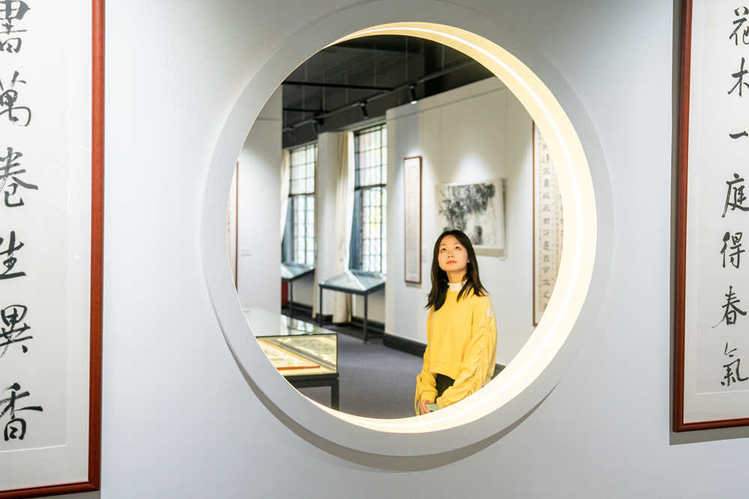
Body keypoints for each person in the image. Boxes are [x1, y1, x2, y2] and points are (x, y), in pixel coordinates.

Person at [414, 229, 498, 415]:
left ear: (469, 257)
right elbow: (431, 351)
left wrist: (446, 402)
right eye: (443, 249)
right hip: (437, 387)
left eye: (457, 248)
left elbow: (477, 360)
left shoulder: (479, 300)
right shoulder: (439, 300)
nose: (449, 254)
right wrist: (427, 391)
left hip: (462, 391)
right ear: (437, 259)